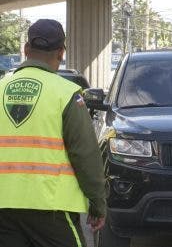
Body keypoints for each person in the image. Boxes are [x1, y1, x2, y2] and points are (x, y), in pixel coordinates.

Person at [0, 19, 106, 247]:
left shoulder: (0, 89)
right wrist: (98, 203)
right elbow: (85, 154)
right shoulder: (66, 94)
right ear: (61, 53)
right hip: (51, 208)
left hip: (3, 209)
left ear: (26, 49)